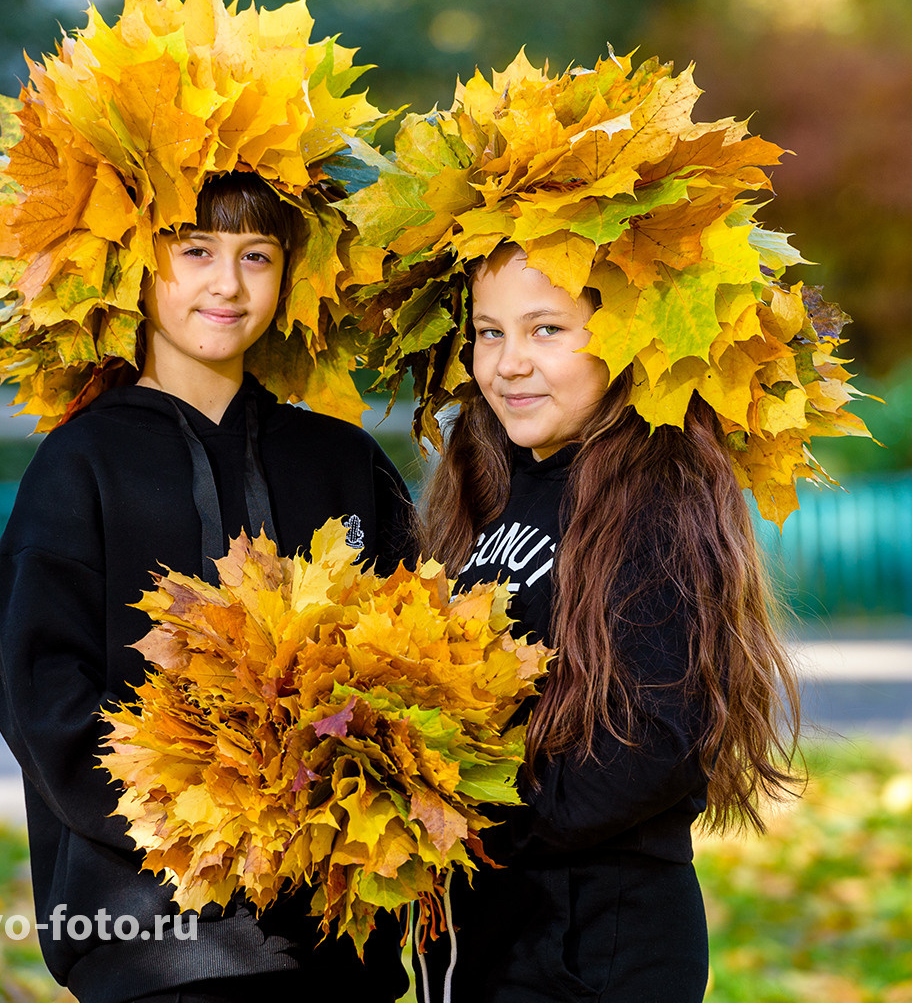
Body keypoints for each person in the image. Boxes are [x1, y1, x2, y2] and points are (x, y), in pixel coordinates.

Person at [344, 49, 871, 1001]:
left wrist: (473, 816)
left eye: (547, 330)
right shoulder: (486, 489)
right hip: (488, 935)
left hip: (601, 944)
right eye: (491, 332)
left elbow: (655, 739)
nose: (509, 363)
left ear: (624, 335)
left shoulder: (657, 492)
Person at [0, 0, 412, 1003]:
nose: (227, 284)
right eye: (194, 250)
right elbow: (41, 693)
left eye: (255, 255)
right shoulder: (80, 467)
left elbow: (411, 652)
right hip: (152, 939)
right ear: (136, 268)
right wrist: (194, 817)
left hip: (338, 935)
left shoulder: (340, 462)